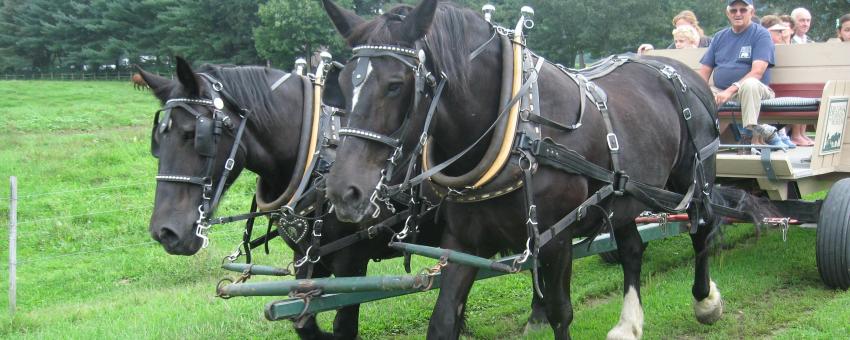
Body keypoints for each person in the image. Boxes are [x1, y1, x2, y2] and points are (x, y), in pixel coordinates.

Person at [699, 0, 780, 150]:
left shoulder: (761, 34)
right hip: (721, 90)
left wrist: (729, 91)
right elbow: (704, 70)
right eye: (733, 10)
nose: (738, 14)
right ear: (727, 13)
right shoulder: (719, 37)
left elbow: (757, 72)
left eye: (743, 10)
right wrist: (701, 90)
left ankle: (748, 133)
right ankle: (698, 143)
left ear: (752, 12)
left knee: (749, 84)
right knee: (696, 94)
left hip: (755, 91)